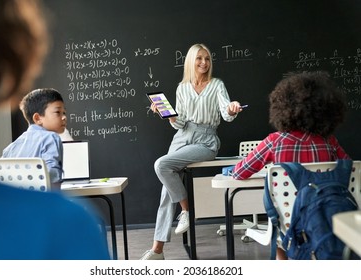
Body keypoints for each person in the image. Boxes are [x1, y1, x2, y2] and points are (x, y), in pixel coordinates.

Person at [0, 0, 110, 259]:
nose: (64, 118)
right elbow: (53, 178)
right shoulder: (64, 225)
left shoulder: (13, 145)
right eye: (59, 112)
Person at [231, 71, 350, 260]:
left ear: (283, 107)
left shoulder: (274, 141)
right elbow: (349, 170)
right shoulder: (330, 142)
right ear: (325, 110)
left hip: (288, 224)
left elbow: (239, 173)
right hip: (325, 220)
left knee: (280, 230)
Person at [140, 43, 244, 260]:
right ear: (191, 61)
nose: (204, 63)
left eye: (207, 59)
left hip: (205, 141)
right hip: (182, 137)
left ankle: (186, 211)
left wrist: (232, 107)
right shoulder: (182, 88)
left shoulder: (217, 85)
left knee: (162, 165)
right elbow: (180, 123)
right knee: (166, 191)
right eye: (199, 59)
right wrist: (168, 115)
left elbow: (226, 112)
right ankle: (158, 250)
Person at [2, 88, 66, 190]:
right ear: (37, 118)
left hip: (16, 201)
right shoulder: (51, 137)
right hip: (43, 201)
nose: (63, 117)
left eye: (64, 113)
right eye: (58, 112)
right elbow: (53, 175)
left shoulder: (10, 148)